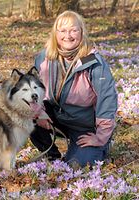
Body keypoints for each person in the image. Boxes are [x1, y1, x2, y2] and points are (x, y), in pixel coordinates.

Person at [30, 10, 118, 167]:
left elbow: (107, 100)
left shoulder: (94, 63)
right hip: (56, 118)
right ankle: (52, 157)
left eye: (73, 30)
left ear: (82, 32)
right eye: (62, 30)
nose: (68, 36)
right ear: (55, 34)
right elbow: (32, 91)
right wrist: (39, 112)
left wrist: (100, 136)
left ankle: (102, 145)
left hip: (85, 126)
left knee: (77, 165)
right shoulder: (44, 58)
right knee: (22, 115)